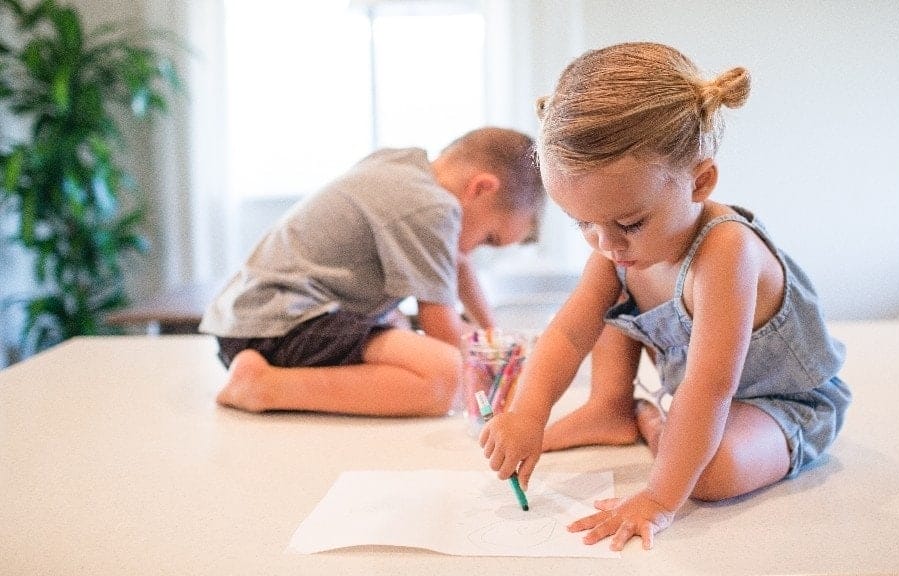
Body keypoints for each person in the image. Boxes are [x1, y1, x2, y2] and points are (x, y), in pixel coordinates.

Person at [478, 43, 850, 550]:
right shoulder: (616, 251)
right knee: (609, 298)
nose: (606, 242)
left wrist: (658, 497)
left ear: (700, 181)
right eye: (583, 223)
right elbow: (567, 334)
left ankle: (648, 419)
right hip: (704, 398)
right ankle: (609, 409)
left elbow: (709, 387)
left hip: (778, 403)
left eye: (628, 222)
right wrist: (526, 413)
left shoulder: (726, 250)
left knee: (711, 476)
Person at [200, 127, 545, 417]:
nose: (474, 249)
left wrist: (490, 334)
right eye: (489, 238)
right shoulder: (433, 208)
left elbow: (458, 261)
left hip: (252, 319)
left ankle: (263, 376)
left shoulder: (403, 166)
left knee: (401, 325)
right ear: (482, 188)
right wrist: (494, 358)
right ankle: (264, 386)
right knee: (446, 373)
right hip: (276, 324)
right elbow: (441, 332)